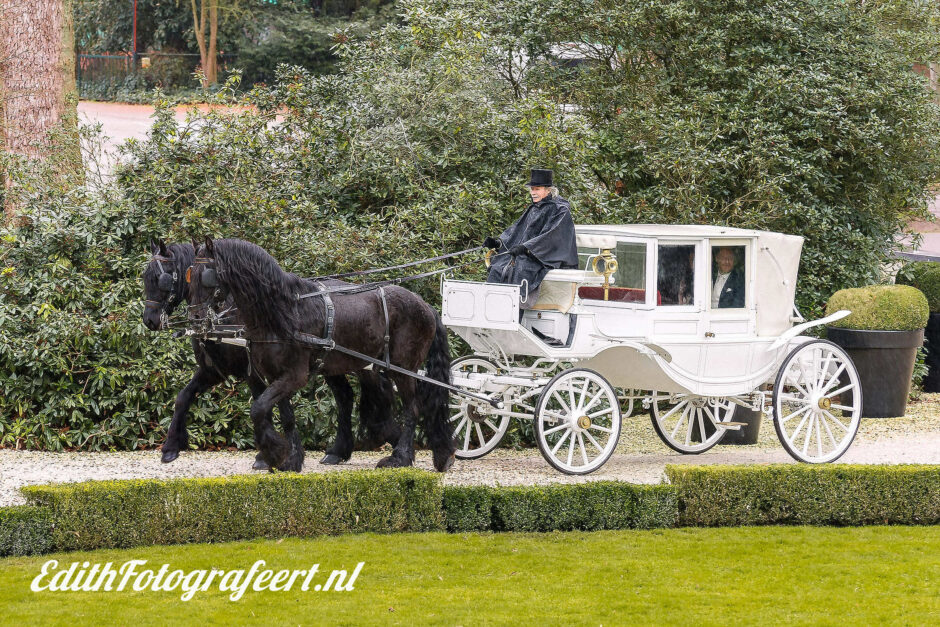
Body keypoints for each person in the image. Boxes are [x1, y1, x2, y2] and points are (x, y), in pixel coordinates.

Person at [483, 168, 579, 307]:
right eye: (532, 189)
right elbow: (516, 231)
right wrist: (498, 243)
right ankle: (493, 307)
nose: (533, 192)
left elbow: (552, 236)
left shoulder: (560, 210)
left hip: (546, 257)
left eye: (537, 189)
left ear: (548, 190)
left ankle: (515, 310)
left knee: (520, 268)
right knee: (497, 266)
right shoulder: (534, 208)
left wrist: (526, 248)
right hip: (526, 254)